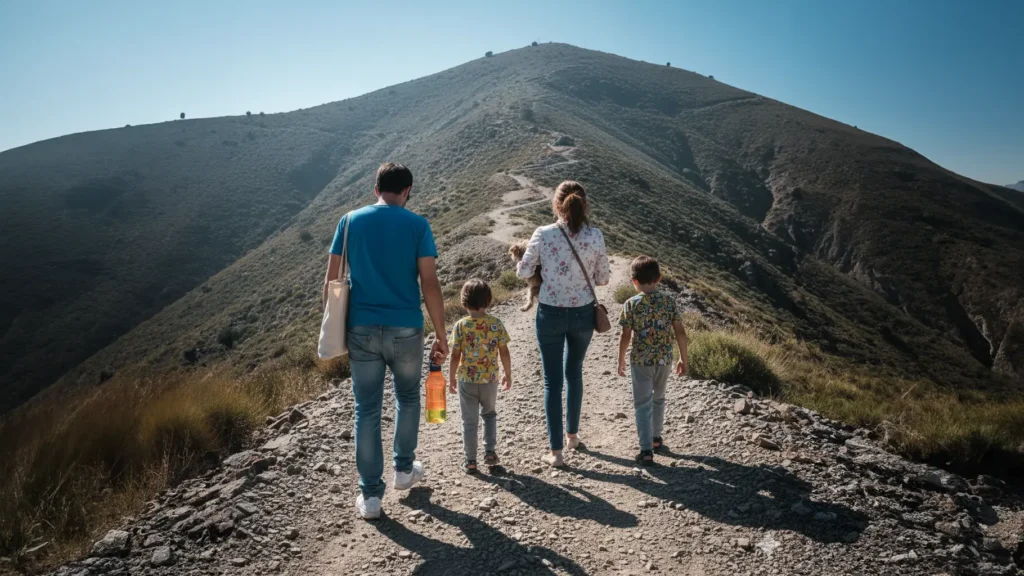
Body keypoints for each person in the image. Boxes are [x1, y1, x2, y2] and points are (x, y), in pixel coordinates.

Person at [323, 162, 448, 520]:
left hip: (361, 329)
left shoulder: (348, 222)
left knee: (366, 409)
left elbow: (330, 282)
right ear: (407, 191)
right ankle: (404, 470)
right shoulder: (418, 225)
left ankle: (370, 496)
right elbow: (430, 284)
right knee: (407, 397)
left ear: (375, 188)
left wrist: (335, 327)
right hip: (406, 327)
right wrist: (441, 335)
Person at [516, 180, 610, 467]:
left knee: (552, 381)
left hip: (550, 314)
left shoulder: (543, 233)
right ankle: (573, 437)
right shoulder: (596, 235)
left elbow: (523, 272)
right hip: (582, 314)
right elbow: (603, 279)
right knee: (574, 374)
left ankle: (556, 453)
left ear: (556, 205)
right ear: (584, 204)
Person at [616, 256, 688, 466]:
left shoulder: (631, 304)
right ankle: (656, 438)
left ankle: (646, 450)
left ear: (634, 281)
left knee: (642, 404)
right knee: (659, 398)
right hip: (665, 360)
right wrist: (683, 359)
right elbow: (680, 332)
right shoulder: (669, 302)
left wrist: (621, 359)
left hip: (641, 361)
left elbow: (625, 336)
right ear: (659, 278)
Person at [447, 279, 512, 474]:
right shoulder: (496, 324)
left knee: (469, 421)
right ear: (488, 300)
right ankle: (490, 453)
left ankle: (470, 461)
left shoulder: (460, 326)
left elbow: (455, 355)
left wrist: (451, 378)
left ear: (463, 300)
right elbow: (504, 351)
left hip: (466, 380)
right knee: (489, 414)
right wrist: (507, 374)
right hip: (490, 379)